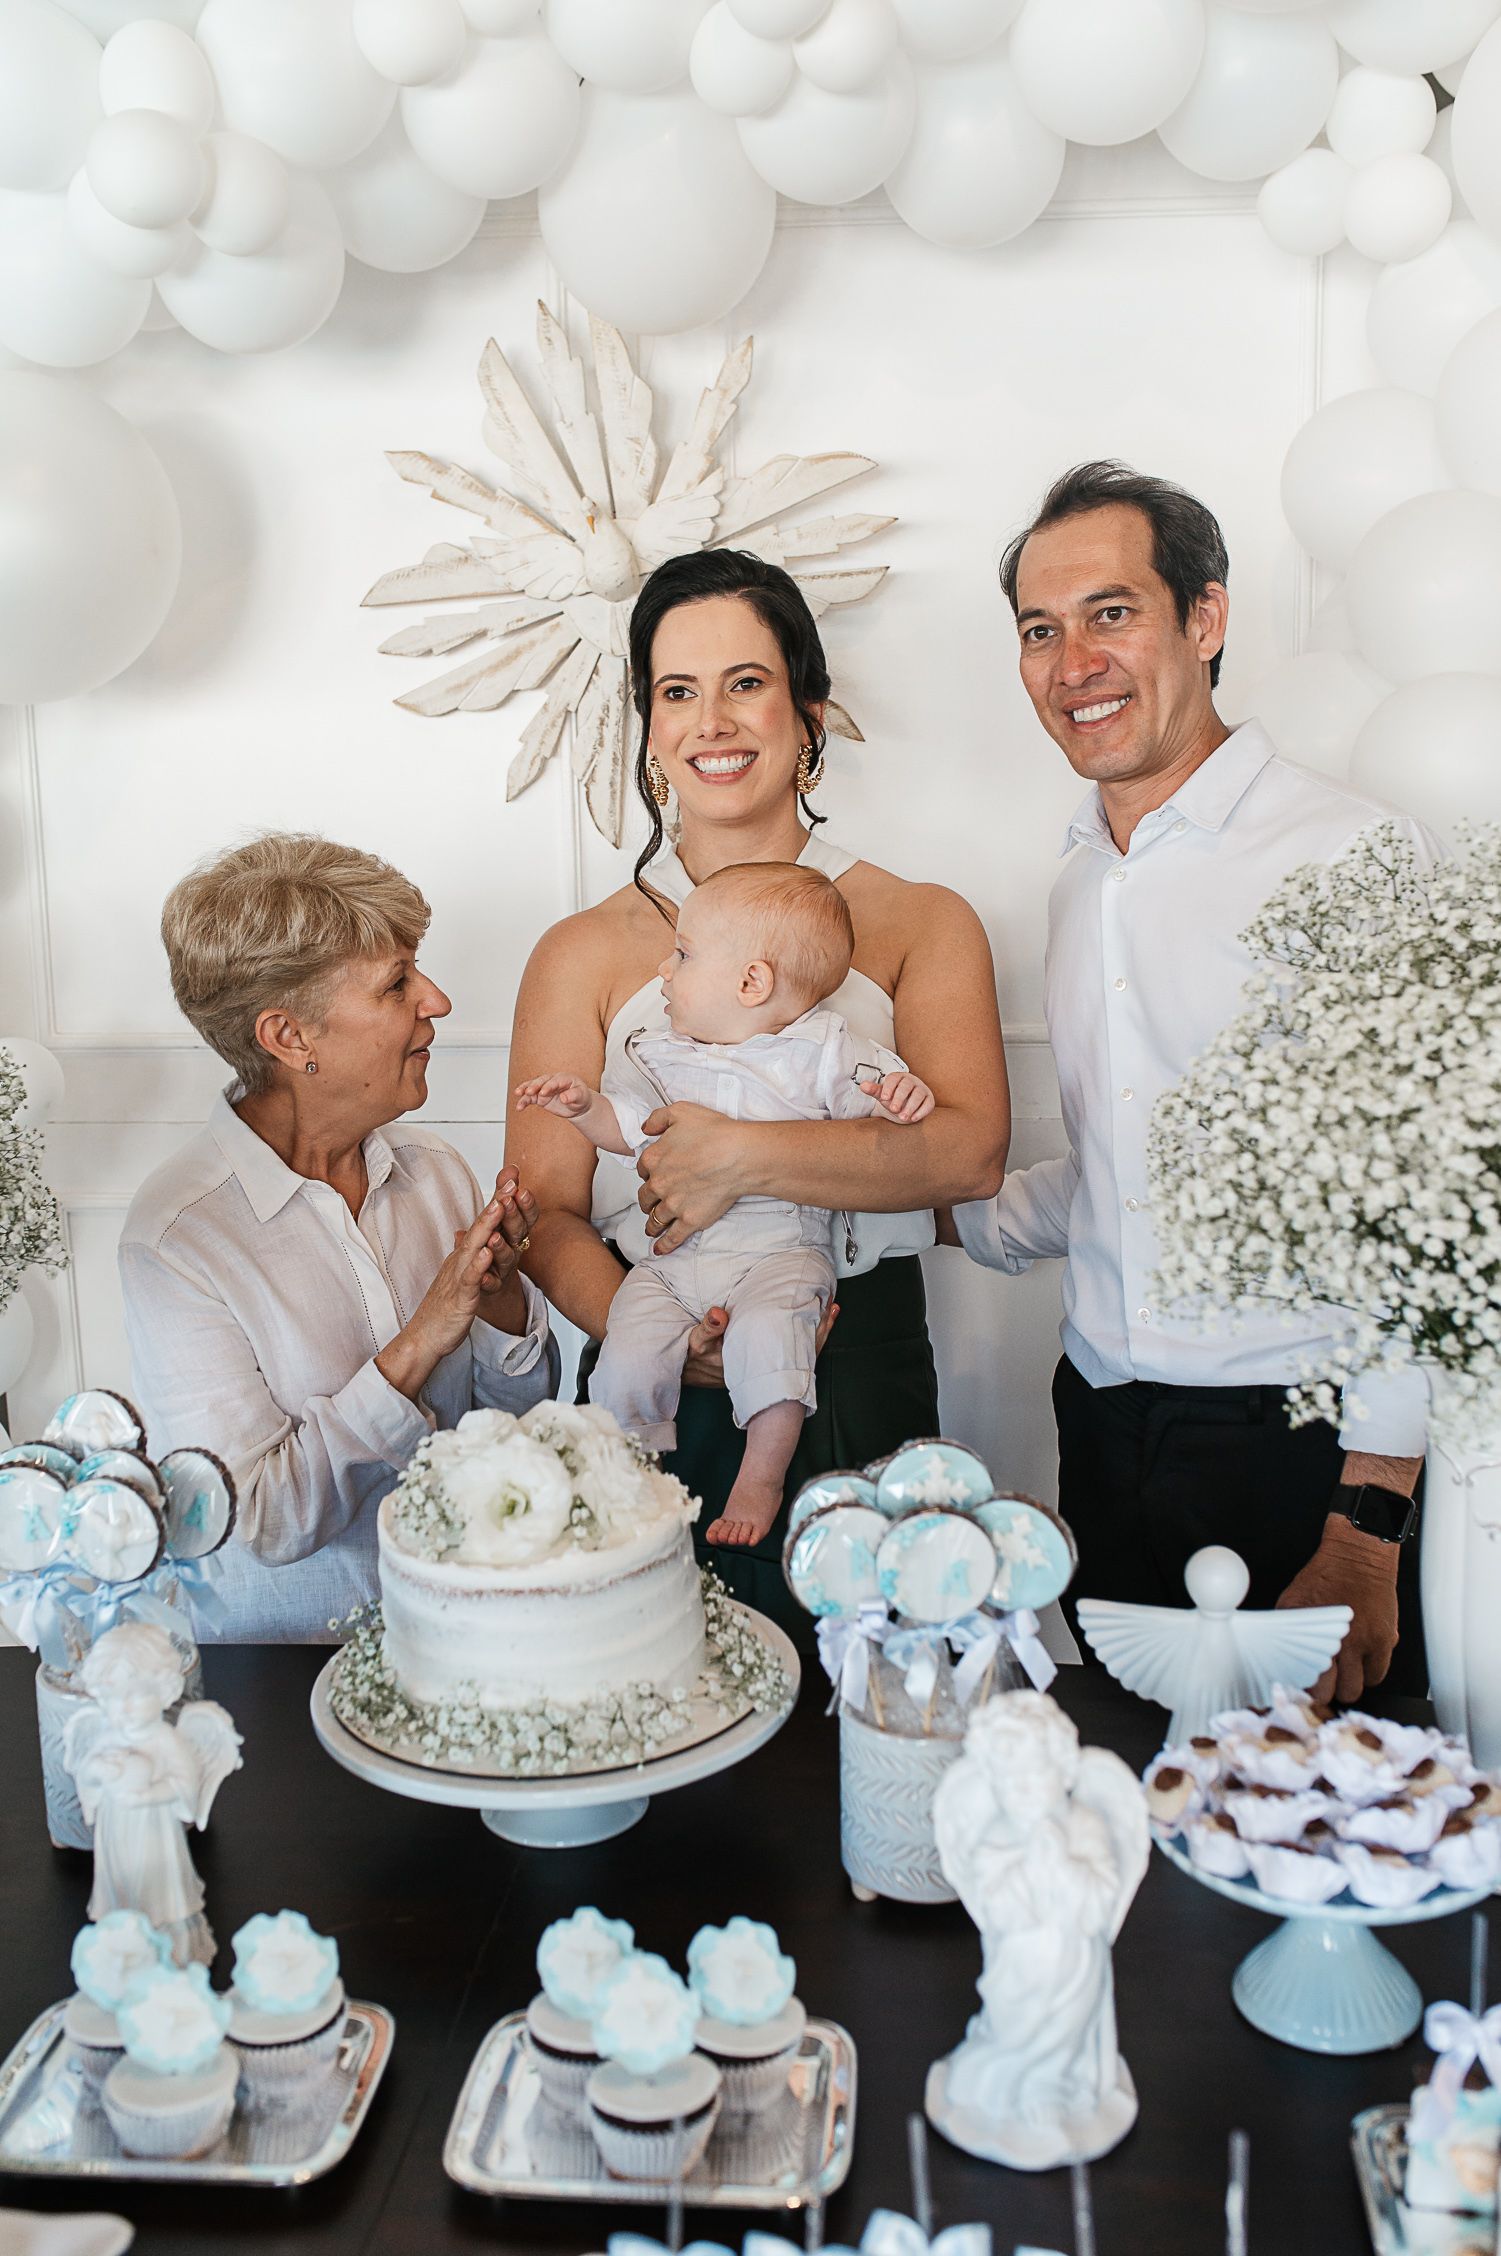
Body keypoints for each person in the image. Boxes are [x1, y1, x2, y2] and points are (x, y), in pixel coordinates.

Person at [952, 461, 1434, 1702]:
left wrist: (1362, 1537)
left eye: (1111, 613)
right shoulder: (1074, 883)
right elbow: (1121, 1168)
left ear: (1204, 620)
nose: (1074, 665)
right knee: (1128, 1823)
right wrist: (911, 1194)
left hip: (1294, 1446)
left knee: (1309, 1835)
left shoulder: (1347, 851)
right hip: (1103, 1431)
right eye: (1039, 632)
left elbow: (1420, 1215)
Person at [507, 548, 1009, 1628]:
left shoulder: (922, 919)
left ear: (807, 711)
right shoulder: (579, 952)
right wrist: (669, 1338)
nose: (712, 721)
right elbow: (544, 1210)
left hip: (852, 1344)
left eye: (746, 683)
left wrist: (739, 1153)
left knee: (869, 1674)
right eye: (677, 693)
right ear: (648, 727)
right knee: (645, 1678)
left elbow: (966, 1154)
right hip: (645, 1346)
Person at [119, 833, 557, 1642]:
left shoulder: (437, 1172)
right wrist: (425, 1333)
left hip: (475, 1633)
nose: (436, 1000)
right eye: (397, 984)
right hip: (287, 1676)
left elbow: (514, 1425)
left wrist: (496, 1296)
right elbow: (261, 1520)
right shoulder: (178, 1241)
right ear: (289, 1039)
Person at [516, 859, 935, 1545]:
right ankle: (628, 1467)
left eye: (682, 955)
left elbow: (879, 1117)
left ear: (751, 982)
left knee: (772, 1339)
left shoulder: (823, 1051)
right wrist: (585, 1107)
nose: (663, 971)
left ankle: (760, 1473)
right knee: (626, 1349)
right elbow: (633, 1135)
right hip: (674, 1260)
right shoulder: (663, 1052)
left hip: (780, 1253)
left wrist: (898, 1095)